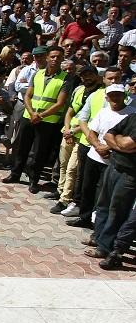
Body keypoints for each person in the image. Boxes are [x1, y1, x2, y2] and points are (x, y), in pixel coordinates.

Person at [70, 84, 136, 235]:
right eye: (112, 95)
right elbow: (92, 132)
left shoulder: (131, 114)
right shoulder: (103, 112)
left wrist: (108, 147)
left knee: (104, 197)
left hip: (113, 162)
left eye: (118, 95)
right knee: (87, 188)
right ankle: (84, 217)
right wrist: (98, 146)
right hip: (94, 155)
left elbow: (128, 143)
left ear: (124, 96)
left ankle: (98, 227)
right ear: (107, 97)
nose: (115, 98)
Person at [4, 45, 70, 193]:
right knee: (21, 147)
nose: (55, 59)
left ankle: (34, 180)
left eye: (58, 57)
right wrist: (32, 112)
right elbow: (28, 95)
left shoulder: (65, 78)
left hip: (47, 121)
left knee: (39, 152)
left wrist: (39, 115)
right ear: (47, 57)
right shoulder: (37, 74)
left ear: (62, 59)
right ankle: (15, 174)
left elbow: (60, 103)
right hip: (29, 116)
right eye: (52, 56)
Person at [50, 65, 102, 215]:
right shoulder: (78, 90)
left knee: (73, 169)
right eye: (84, 75)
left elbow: (92, 120)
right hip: (68, 133)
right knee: (63, 165)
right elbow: (70, 111)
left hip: (83, 137)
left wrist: (73, 131)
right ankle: (60, 191)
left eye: (90, 75)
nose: (87, 78)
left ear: (96, 76)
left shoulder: (100, 94)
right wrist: (67, 129)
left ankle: (65, 200)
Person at [93, 111, 136, 269]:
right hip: (114, 166)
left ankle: (106, 247)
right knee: (103, 204)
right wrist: (119, 142)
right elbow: (108, 135)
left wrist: (118, 143)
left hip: (130, 174)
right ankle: (98, 239)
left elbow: (126, 144)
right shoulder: (132, 117)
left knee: (117, 211)